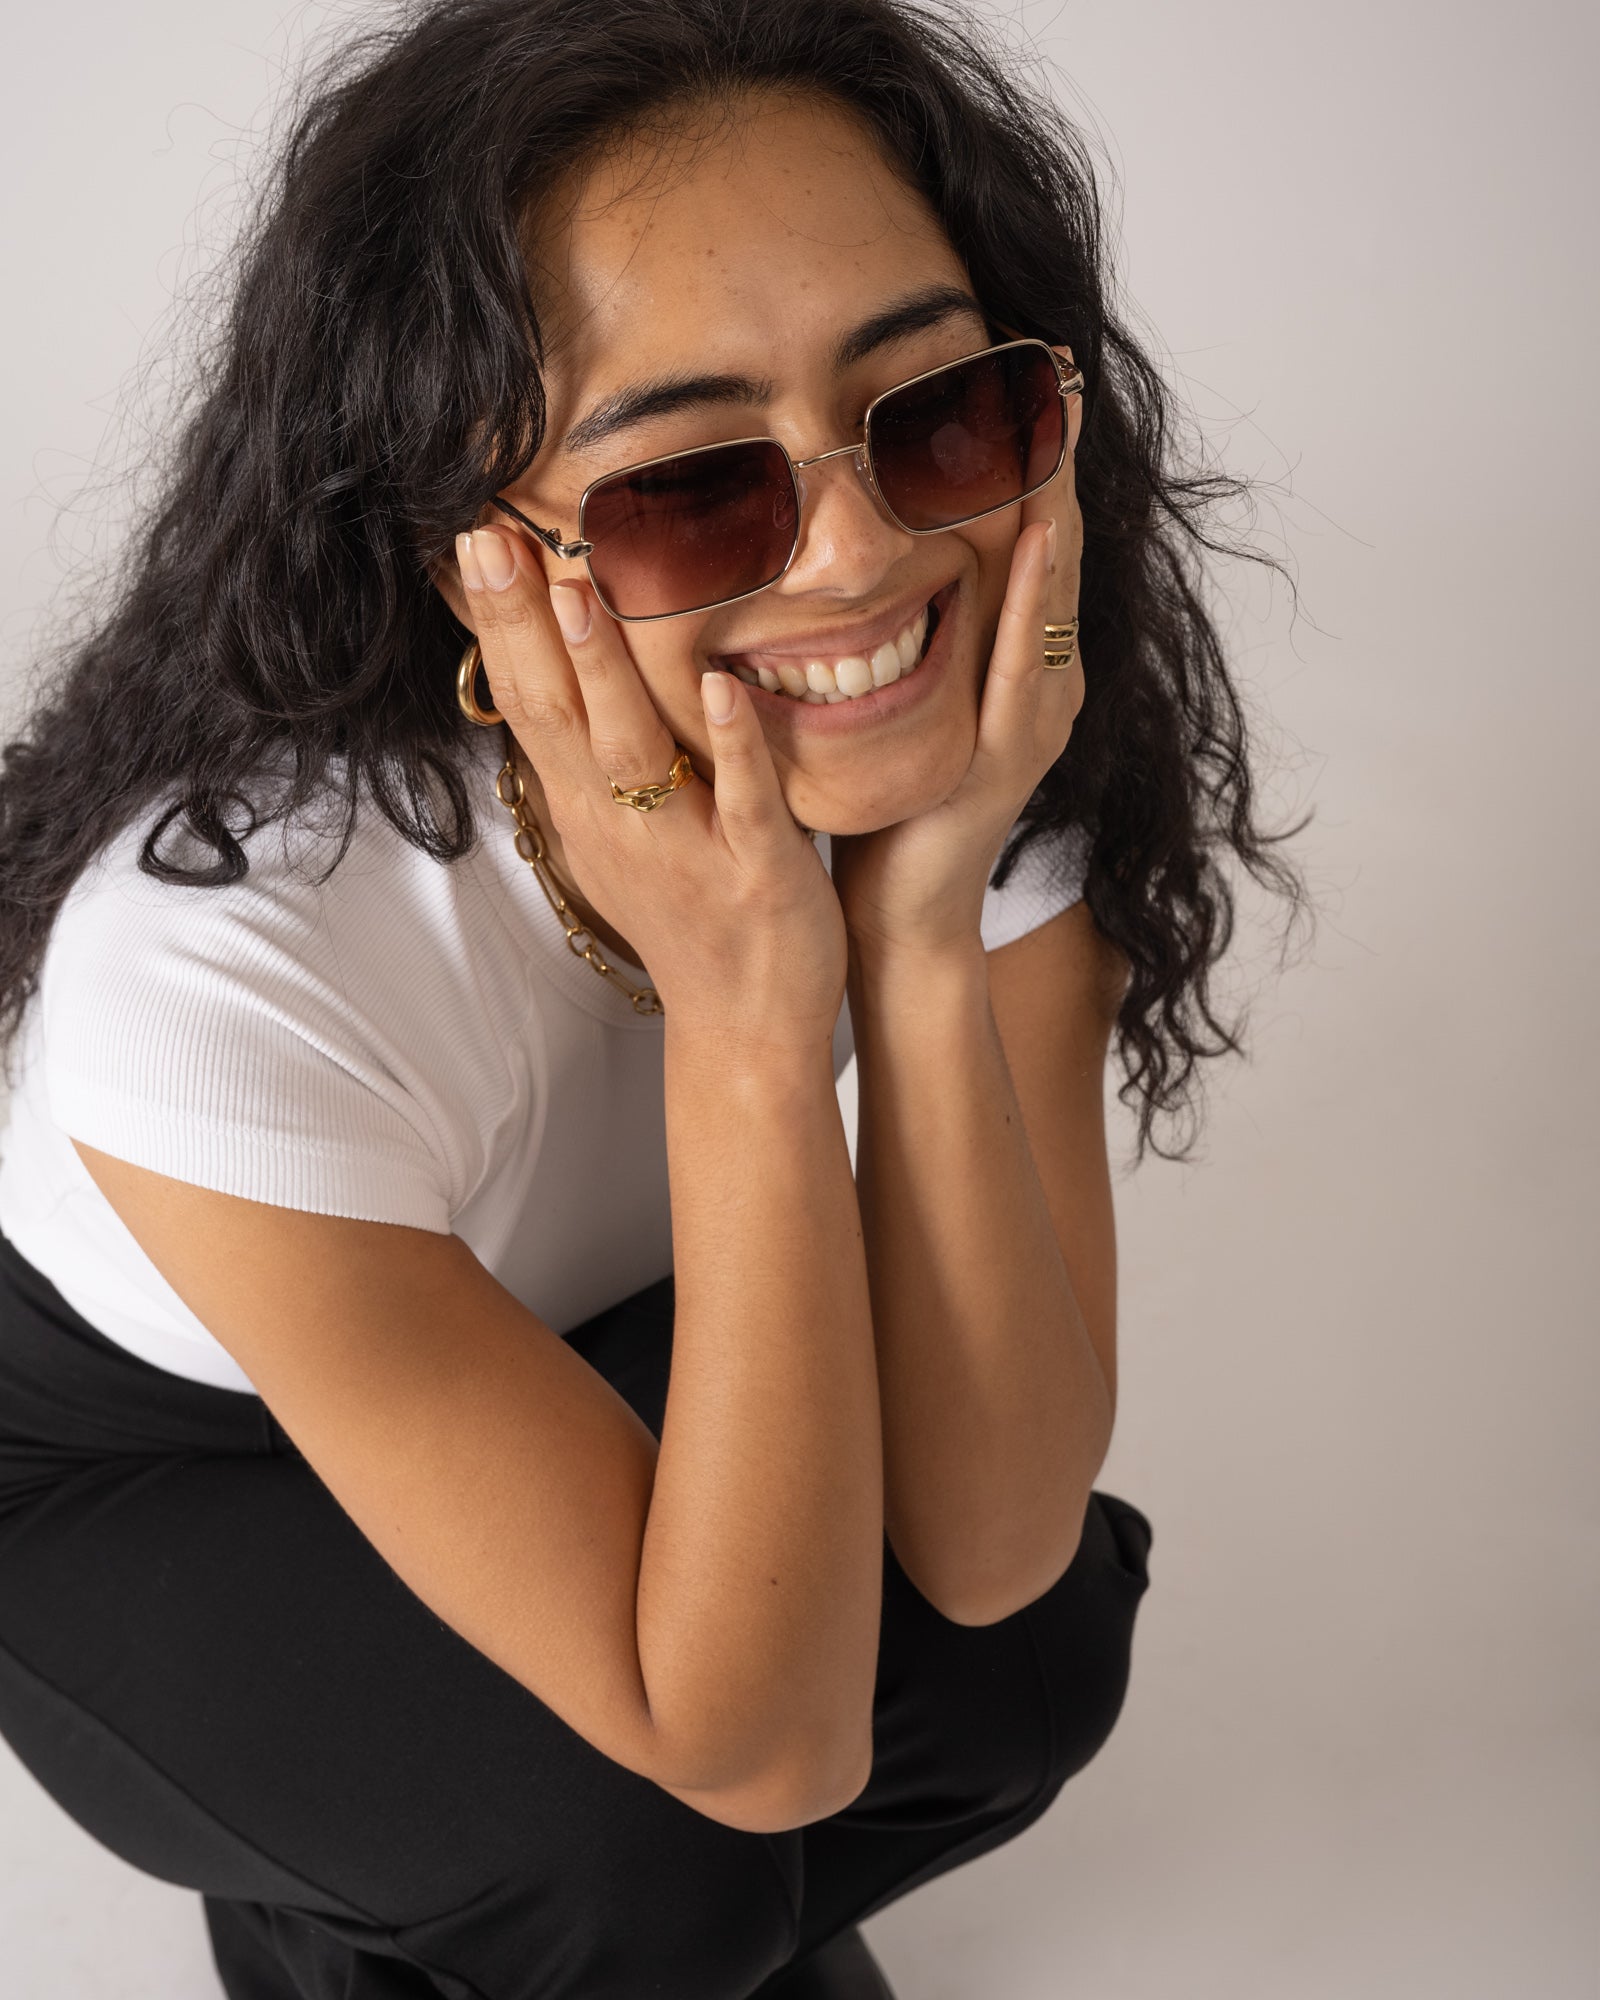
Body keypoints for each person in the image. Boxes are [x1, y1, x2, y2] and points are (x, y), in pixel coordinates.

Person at [0, 0, 1310, 1994]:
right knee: (636, 1849)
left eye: (934, 411)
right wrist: (747, 1014)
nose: (864, 555)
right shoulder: (221, 964)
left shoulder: (977, 735)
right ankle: (356, 1904)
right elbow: (769, 1753)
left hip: (555, 1320)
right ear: (476, 562)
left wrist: (919, 923)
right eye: (693, 484)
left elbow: (995, 1545)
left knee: (1027, 1667)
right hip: (147, 1457)